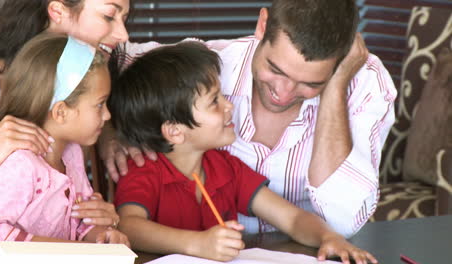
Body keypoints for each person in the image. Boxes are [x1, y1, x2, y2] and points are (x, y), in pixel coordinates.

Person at [105, 0, 397, 238]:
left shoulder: (365, 84)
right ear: (263, 25)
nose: (283, 94)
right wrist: (106, 128)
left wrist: (334, 87)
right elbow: (98, 57)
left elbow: (344, 223)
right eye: (276, 69)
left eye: (311, 83)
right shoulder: (202, 68)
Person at [109, 41, 377, 264]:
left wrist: (327, 238)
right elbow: (129, 226)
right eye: (214, 101)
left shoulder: (227, 168)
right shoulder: (143, 170)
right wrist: (196, 243)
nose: (229, 106)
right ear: (175, 131)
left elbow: (292, 218)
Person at [0, 33, 130, 260]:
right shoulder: (21, 164)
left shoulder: (71, 156)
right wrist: (71, 250)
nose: (107, 115)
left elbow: (80, 223)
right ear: (61, 112)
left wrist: (103, 237)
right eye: (100, 105)